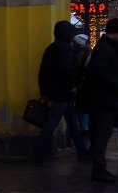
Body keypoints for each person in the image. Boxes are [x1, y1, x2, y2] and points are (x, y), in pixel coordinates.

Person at [81, 18, 118, 182]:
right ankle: (99, 168)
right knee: (102, 133)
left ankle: (98, 167)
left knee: (100, 133)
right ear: (115, 33)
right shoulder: (106, 49)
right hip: (104, 100)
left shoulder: (103, 47)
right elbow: (100, 72)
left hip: (101, 99)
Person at [34, 21, 89, 161]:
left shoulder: (51, 48)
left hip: (55, 91)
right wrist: (73, 85)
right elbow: (67, 70)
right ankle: (39, 152)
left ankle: (82, 150)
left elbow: (43, 72)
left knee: (71, 122)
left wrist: (44, 91)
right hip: (63, 91)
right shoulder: (67, 49)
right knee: (53, 122)